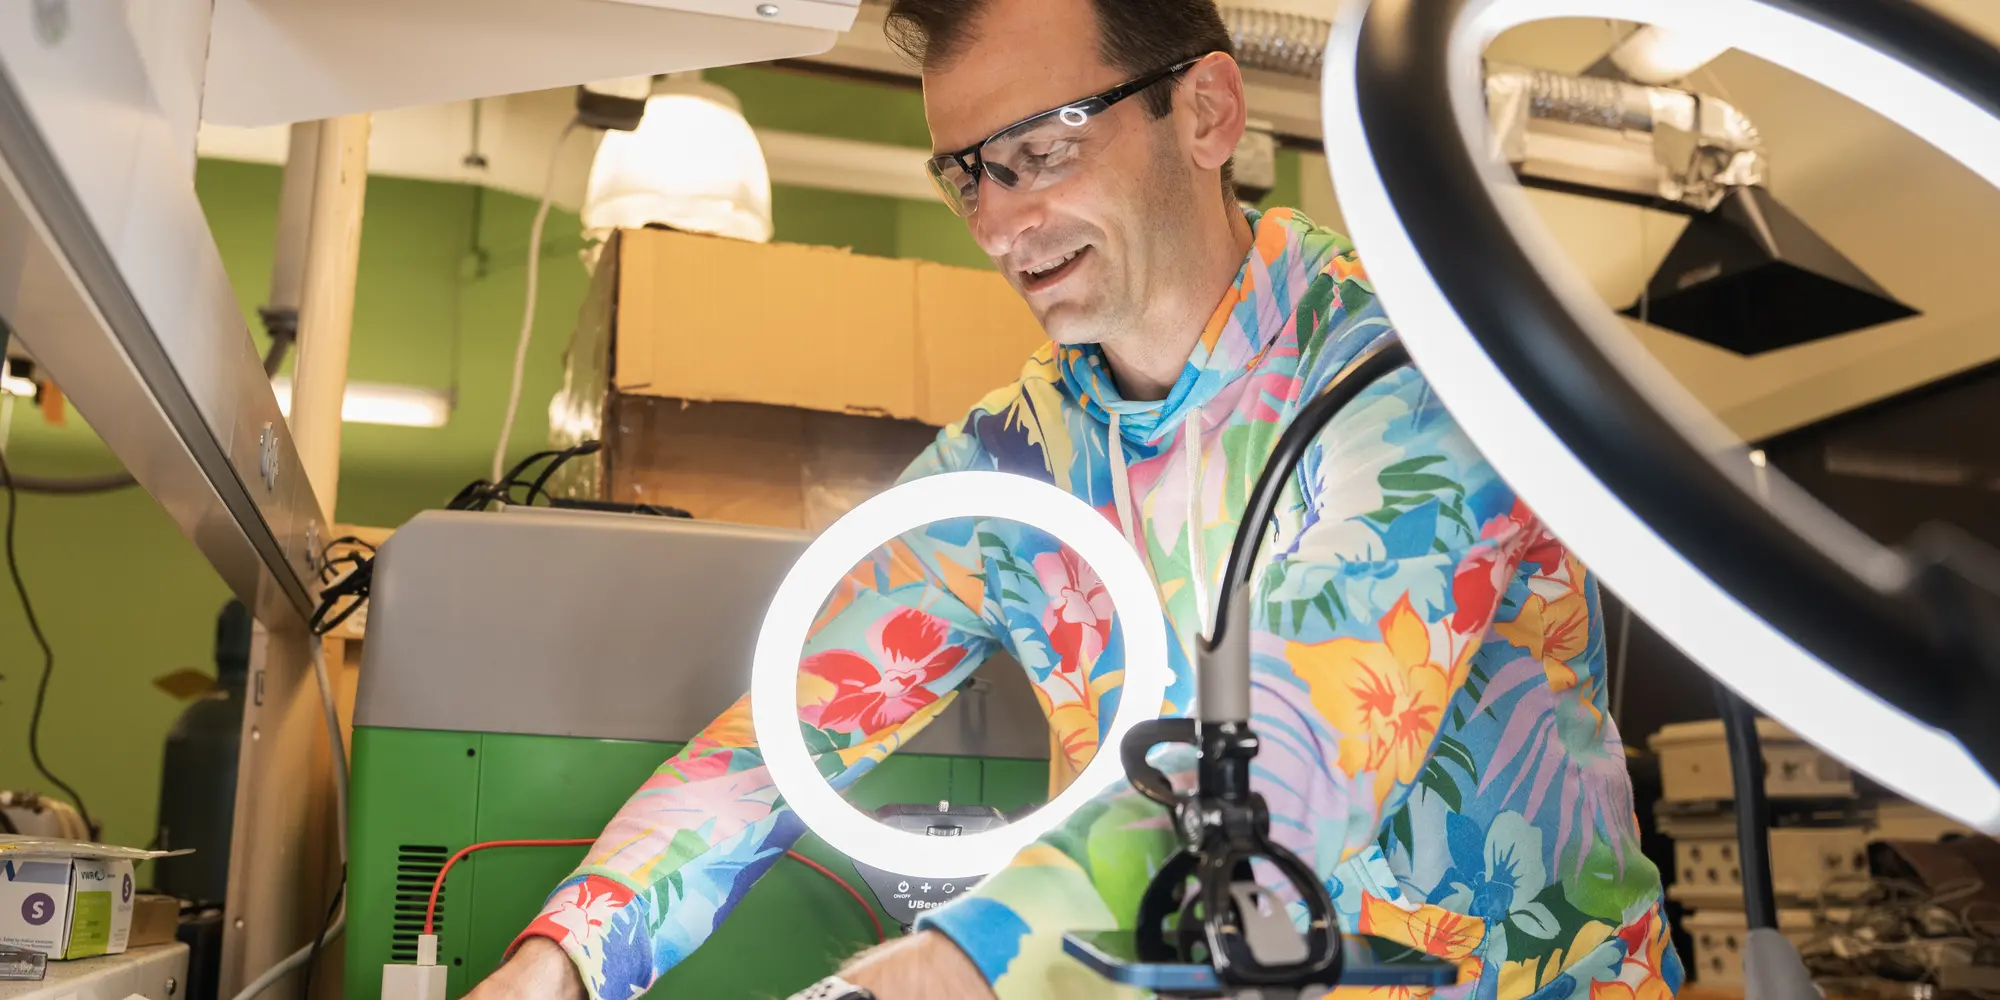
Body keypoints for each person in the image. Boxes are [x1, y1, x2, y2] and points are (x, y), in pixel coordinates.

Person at [469, 0, 1681, 998]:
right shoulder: (1018, 462)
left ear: (1204, 111)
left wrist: (957, 965)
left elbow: (1287, 760)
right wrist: (564, 955)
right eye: (966, 175)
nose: (998, 222)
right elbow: (777, 739)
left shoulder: (1404, 378)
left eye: (1041, 148)